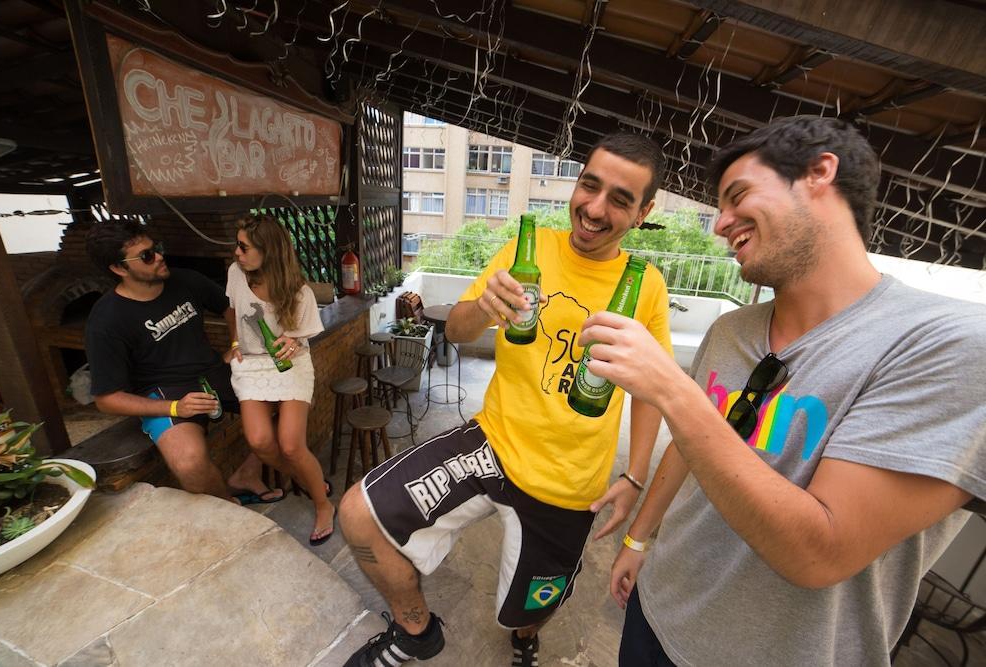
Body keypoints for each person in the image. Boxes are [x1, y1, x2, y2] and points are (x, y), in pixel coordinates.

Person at [582, 116, 986, 665]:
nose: (721, 224)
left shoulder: (948, 342)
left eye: (739, 195)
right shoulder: (733, 330)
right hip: (656, 615)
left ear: (819, 173)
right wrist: (638, 539)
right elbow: (689, 446)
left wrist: (671, 390)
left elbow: (819, 553)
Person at [338, 133, 674, 667]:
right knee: (359, 514)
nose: (593, 208)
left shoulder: (646, 285)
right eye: (589, 185)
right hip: (492, 442)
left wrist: (633, 476)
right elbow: (457, 330)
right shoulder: (529, 247)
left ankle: (523, 638)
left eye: (619, 198)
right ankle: (416, 631)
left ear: (644, 211)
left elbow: (652, 390)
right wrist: (484, 309)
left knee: (525, 613)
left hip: (570, 484)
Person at [85, 219, 277, 504]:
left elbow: (230, 308)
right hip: (164, 392)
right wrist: (174, 407)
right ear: (118, 268)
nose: (160, 257)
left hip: (212, 370)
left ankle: (248, 473)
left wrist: (235, 344)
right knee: (189, 464)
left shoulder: (185, 280)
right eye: (147, 256)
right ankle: (229, 506)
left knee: (288, 400)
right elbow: (107, 399)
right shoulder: (106, 321)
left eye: (157, 248)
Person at [225, 214, 335, 545]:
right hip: (251, 365)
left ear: (268, 251)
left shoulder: (298, 292)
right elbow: (231, 309)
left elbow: (302, 336)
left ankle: (323, 503)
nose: (237, 252)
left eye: (244, 247)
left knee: (290, 444)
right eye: (237, 244)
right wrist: (233, 343)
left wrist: (294, 339)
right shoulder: (235, 274)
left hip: (291, 366)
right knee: (259, 442)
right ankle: (309, 479)